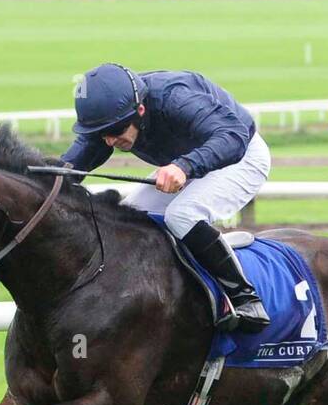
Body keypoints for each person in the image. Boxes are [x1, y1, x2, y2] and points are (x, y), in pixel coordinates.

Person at [62, 63, 270, 333]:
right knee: (131, 215)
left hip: (239, 156)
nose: (110, 141)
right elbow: (75, 162)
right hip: (191, 161)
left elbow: (232, 136)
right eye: (103, 134)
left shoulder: (175, 97)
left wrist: (184, 166)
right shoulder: (114, 117)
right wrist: (54, 179)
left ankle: (245, 300)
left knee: (182, 215)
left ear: (140, 111)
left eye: (116, 131)